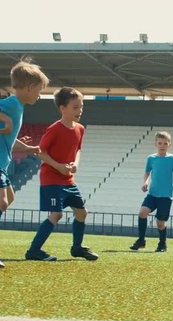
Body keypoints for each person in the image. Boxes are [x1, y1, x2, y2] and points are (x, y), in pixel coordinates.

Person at [0, 61, 48, 268]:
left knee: (9, 198)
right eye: (39, 91)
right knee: (1, 202)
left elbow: (9, 139)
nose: (39, 96)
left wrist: (28, 149)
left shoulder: (17, 107)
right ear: (29, 87)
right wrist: (6, 119)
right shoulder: (12, 103)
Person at [25, 87, 98, 261]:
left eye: (81, 106)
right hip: (51, 180)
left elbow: (78, 150)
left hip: (68, 180)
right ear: (62, 108)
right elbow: (40, 152)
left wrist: (75, 165)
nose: (79, 110)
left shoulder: (80, 128)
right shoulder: (54, 129)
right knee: (56, 214)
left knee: (82, 213)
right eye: (75, 107)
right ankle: (33, 251)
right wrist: (58, 166)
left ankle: (77, 248)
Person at [130, 131, 173, 252]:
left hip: (165, 196)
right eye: (160, 143)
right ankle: (141, 240)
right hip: (153, 194)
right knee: (142, 212)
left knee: (160, 223)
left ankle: (162, 244)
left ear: (169, 144)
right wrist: (145, 183)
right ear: (155, 144)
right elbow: (147, 172)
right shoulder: (151, 158)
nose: (162, 145)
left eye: (165, 143)